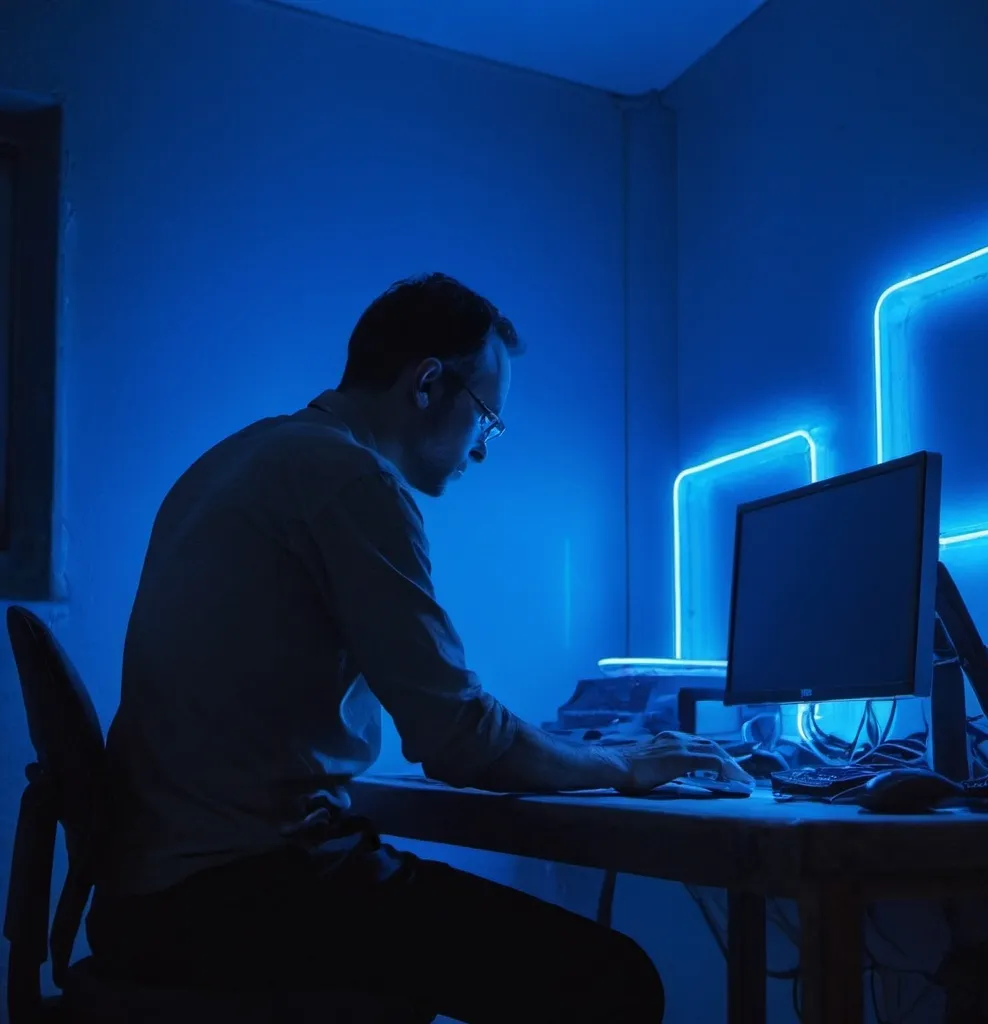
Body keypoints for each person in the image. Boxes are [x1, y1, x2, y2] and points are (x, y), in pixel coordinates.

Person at [87, 273, 753, 1023]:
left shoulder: (234, 462)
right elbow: (458, 738)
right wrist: (623, 764)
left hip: (151, 893)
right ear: (429, 383)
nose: (482, 451)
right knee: (616, 982)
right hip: (237, 890)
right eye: (488, 422)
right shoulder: (350, 478)